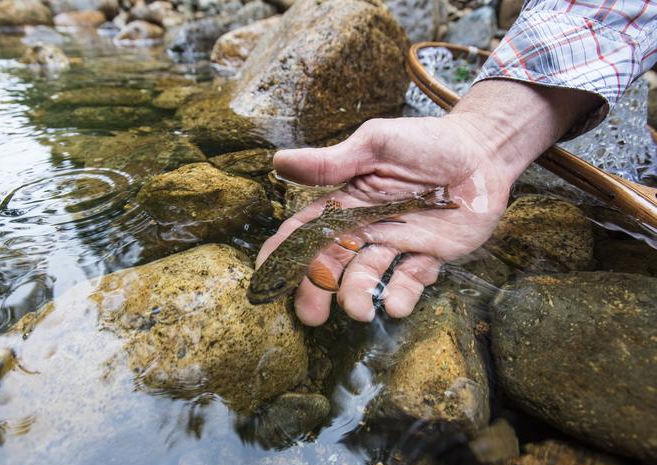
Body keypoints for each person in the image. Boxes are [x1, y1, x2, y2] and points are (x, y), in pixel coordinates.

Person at [256, 0, 657, 326]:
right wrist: (482, 137)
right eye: (269, 287)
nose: (266, 294)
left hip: (346, 221)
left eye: (273, 286)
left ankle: (421, 202)